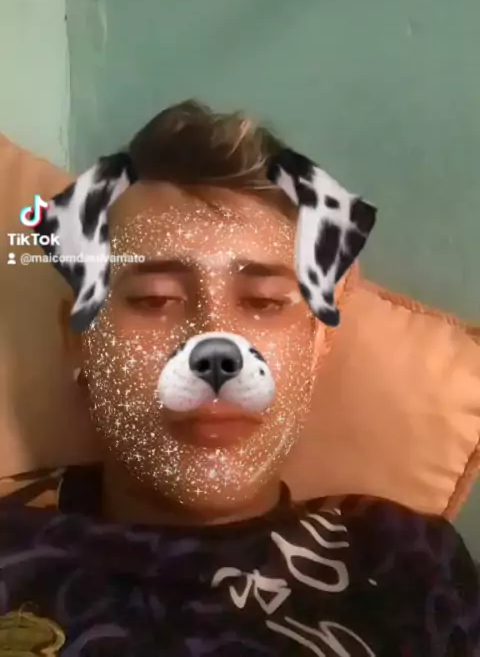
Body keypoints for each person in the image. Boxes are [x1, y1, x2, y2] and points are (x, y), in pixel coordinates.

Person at [0, 100, 479, 657]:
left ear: (316, 344)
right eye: (155, 299)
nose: (215, 349)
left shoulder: (407, 561)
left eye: (263, 301)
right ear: (79, 338)